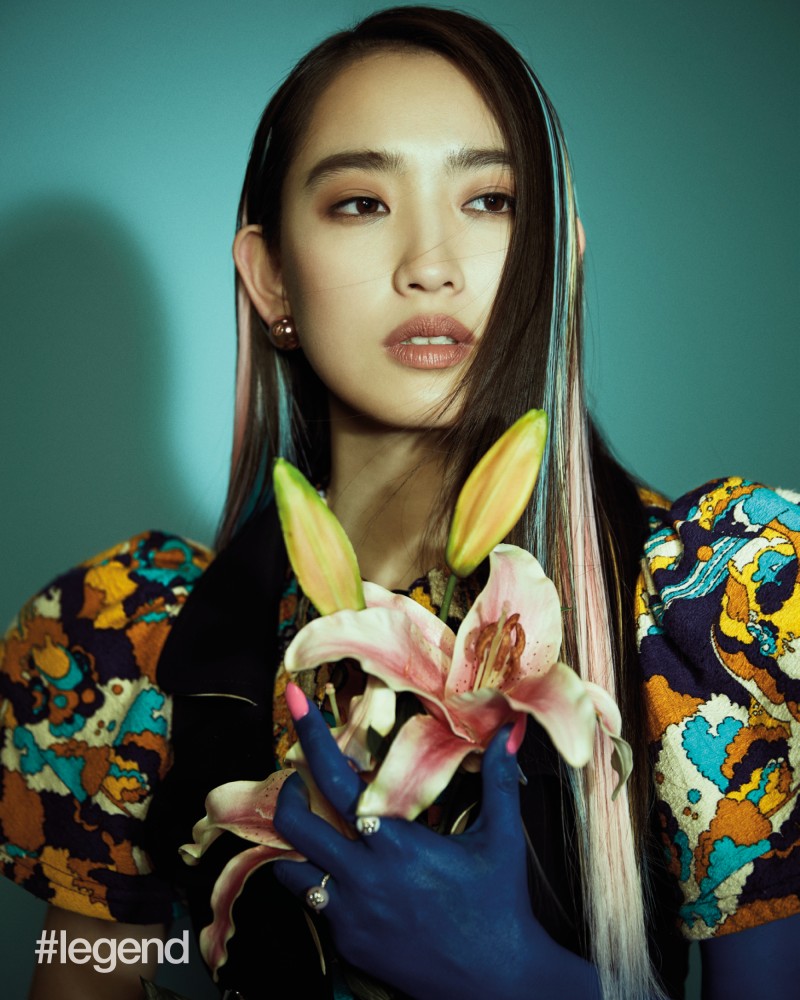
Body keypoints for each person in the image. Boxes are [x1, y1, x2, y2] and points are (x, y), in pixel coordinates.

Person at [1, 7, 798, 999]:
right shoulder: (128, 646)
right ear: (271, 278)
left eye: (491, 200)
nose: (430, 264)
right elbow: (90, 973)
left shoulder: (713, 611)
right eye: (360, 203)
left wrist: (517, 977)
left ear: (559, 258)